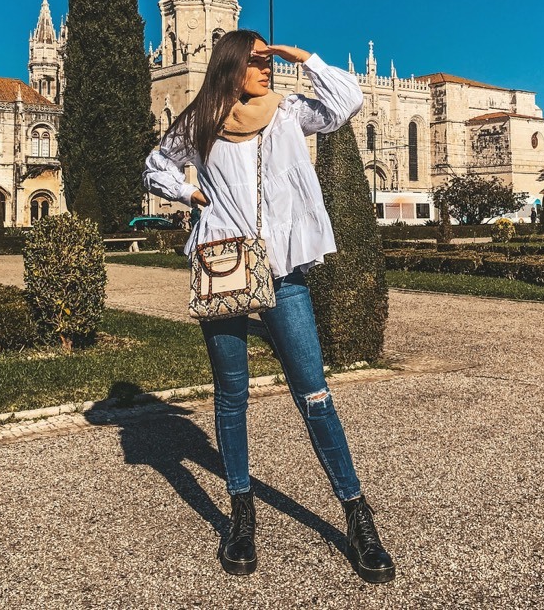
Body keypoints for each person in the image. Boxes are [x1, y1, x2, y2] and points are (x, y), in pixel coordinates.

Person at [143, 31, 395, 584]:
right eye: (257, 61)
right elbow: (155, 166)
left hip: (284, 272)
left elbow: (346, 102)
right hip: (226, 269)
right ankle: (241, 514)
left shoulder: (286, 113)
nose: (266, 68)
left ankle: (357, 516)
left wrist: (301, 57)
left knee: (315, 394)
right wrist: (191, 195)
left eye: (268, 59)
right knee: (231, 397)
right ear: (231, 66)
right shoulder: (199, 123)